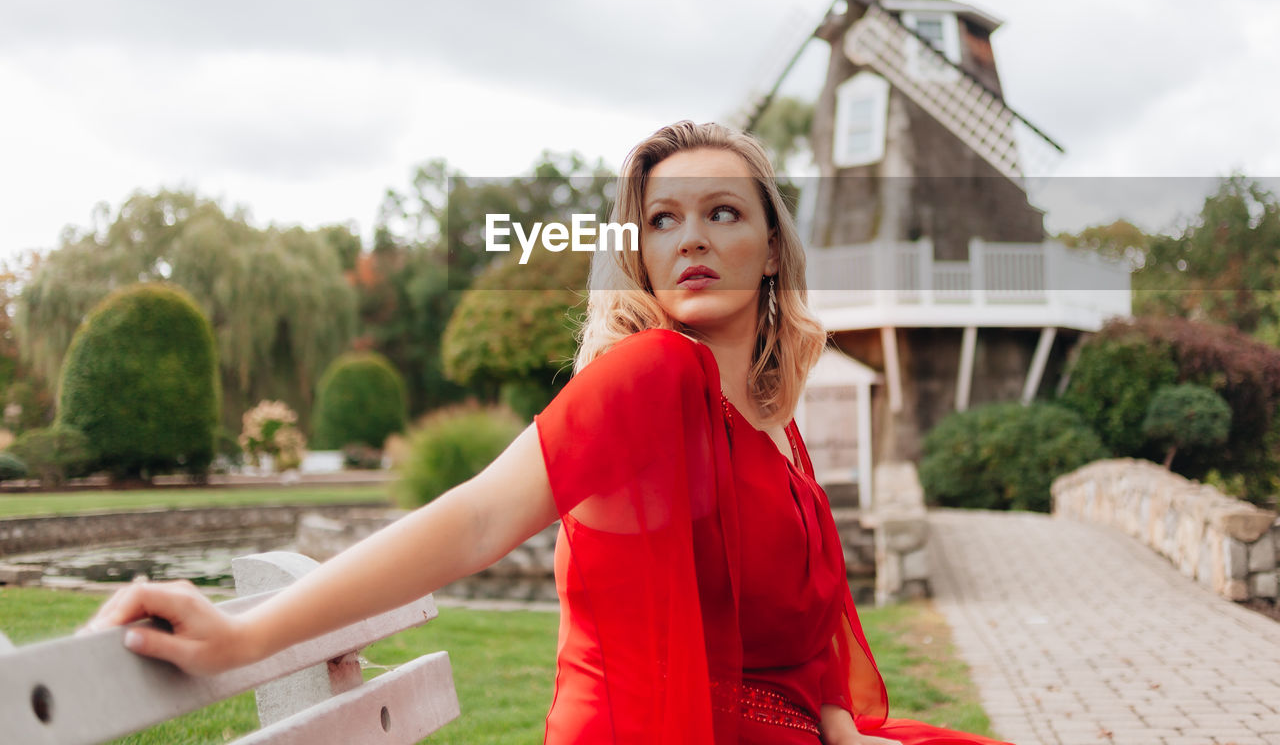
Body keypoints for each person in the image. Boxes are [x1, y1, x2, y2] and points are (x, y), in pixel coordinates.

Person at [85, 120, 1012, 745]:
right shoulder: (654, 379)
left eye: (722, 213)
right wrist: (246, 638)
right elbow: (482, 519)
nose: (690, 238)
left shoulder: (778, 425)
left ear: (772, 247)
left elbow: (804, 649)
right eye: (663, 220)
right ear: (640, 254)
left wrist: (847, 734)